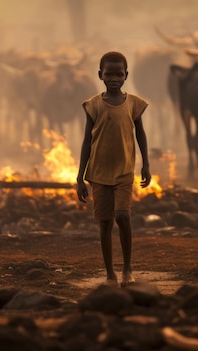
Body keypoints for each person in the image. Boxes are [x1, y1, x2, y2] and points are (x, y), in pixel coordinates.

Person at [76, 51, 151, 287]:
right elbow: (87, 141)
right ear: (100, 75)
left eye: (119, 74)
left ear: (126, 75)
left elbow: (140, 135)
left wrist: (146, 164)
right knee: (105, 222)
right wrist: (79, 177)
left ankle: (128, 268)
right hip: (98, 173)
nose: (114, 78)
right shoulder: (94, 105)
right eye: (109, 74)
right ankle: (110, 273)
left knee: (122, 216)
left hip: (124, 172)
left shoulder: (134, 104)